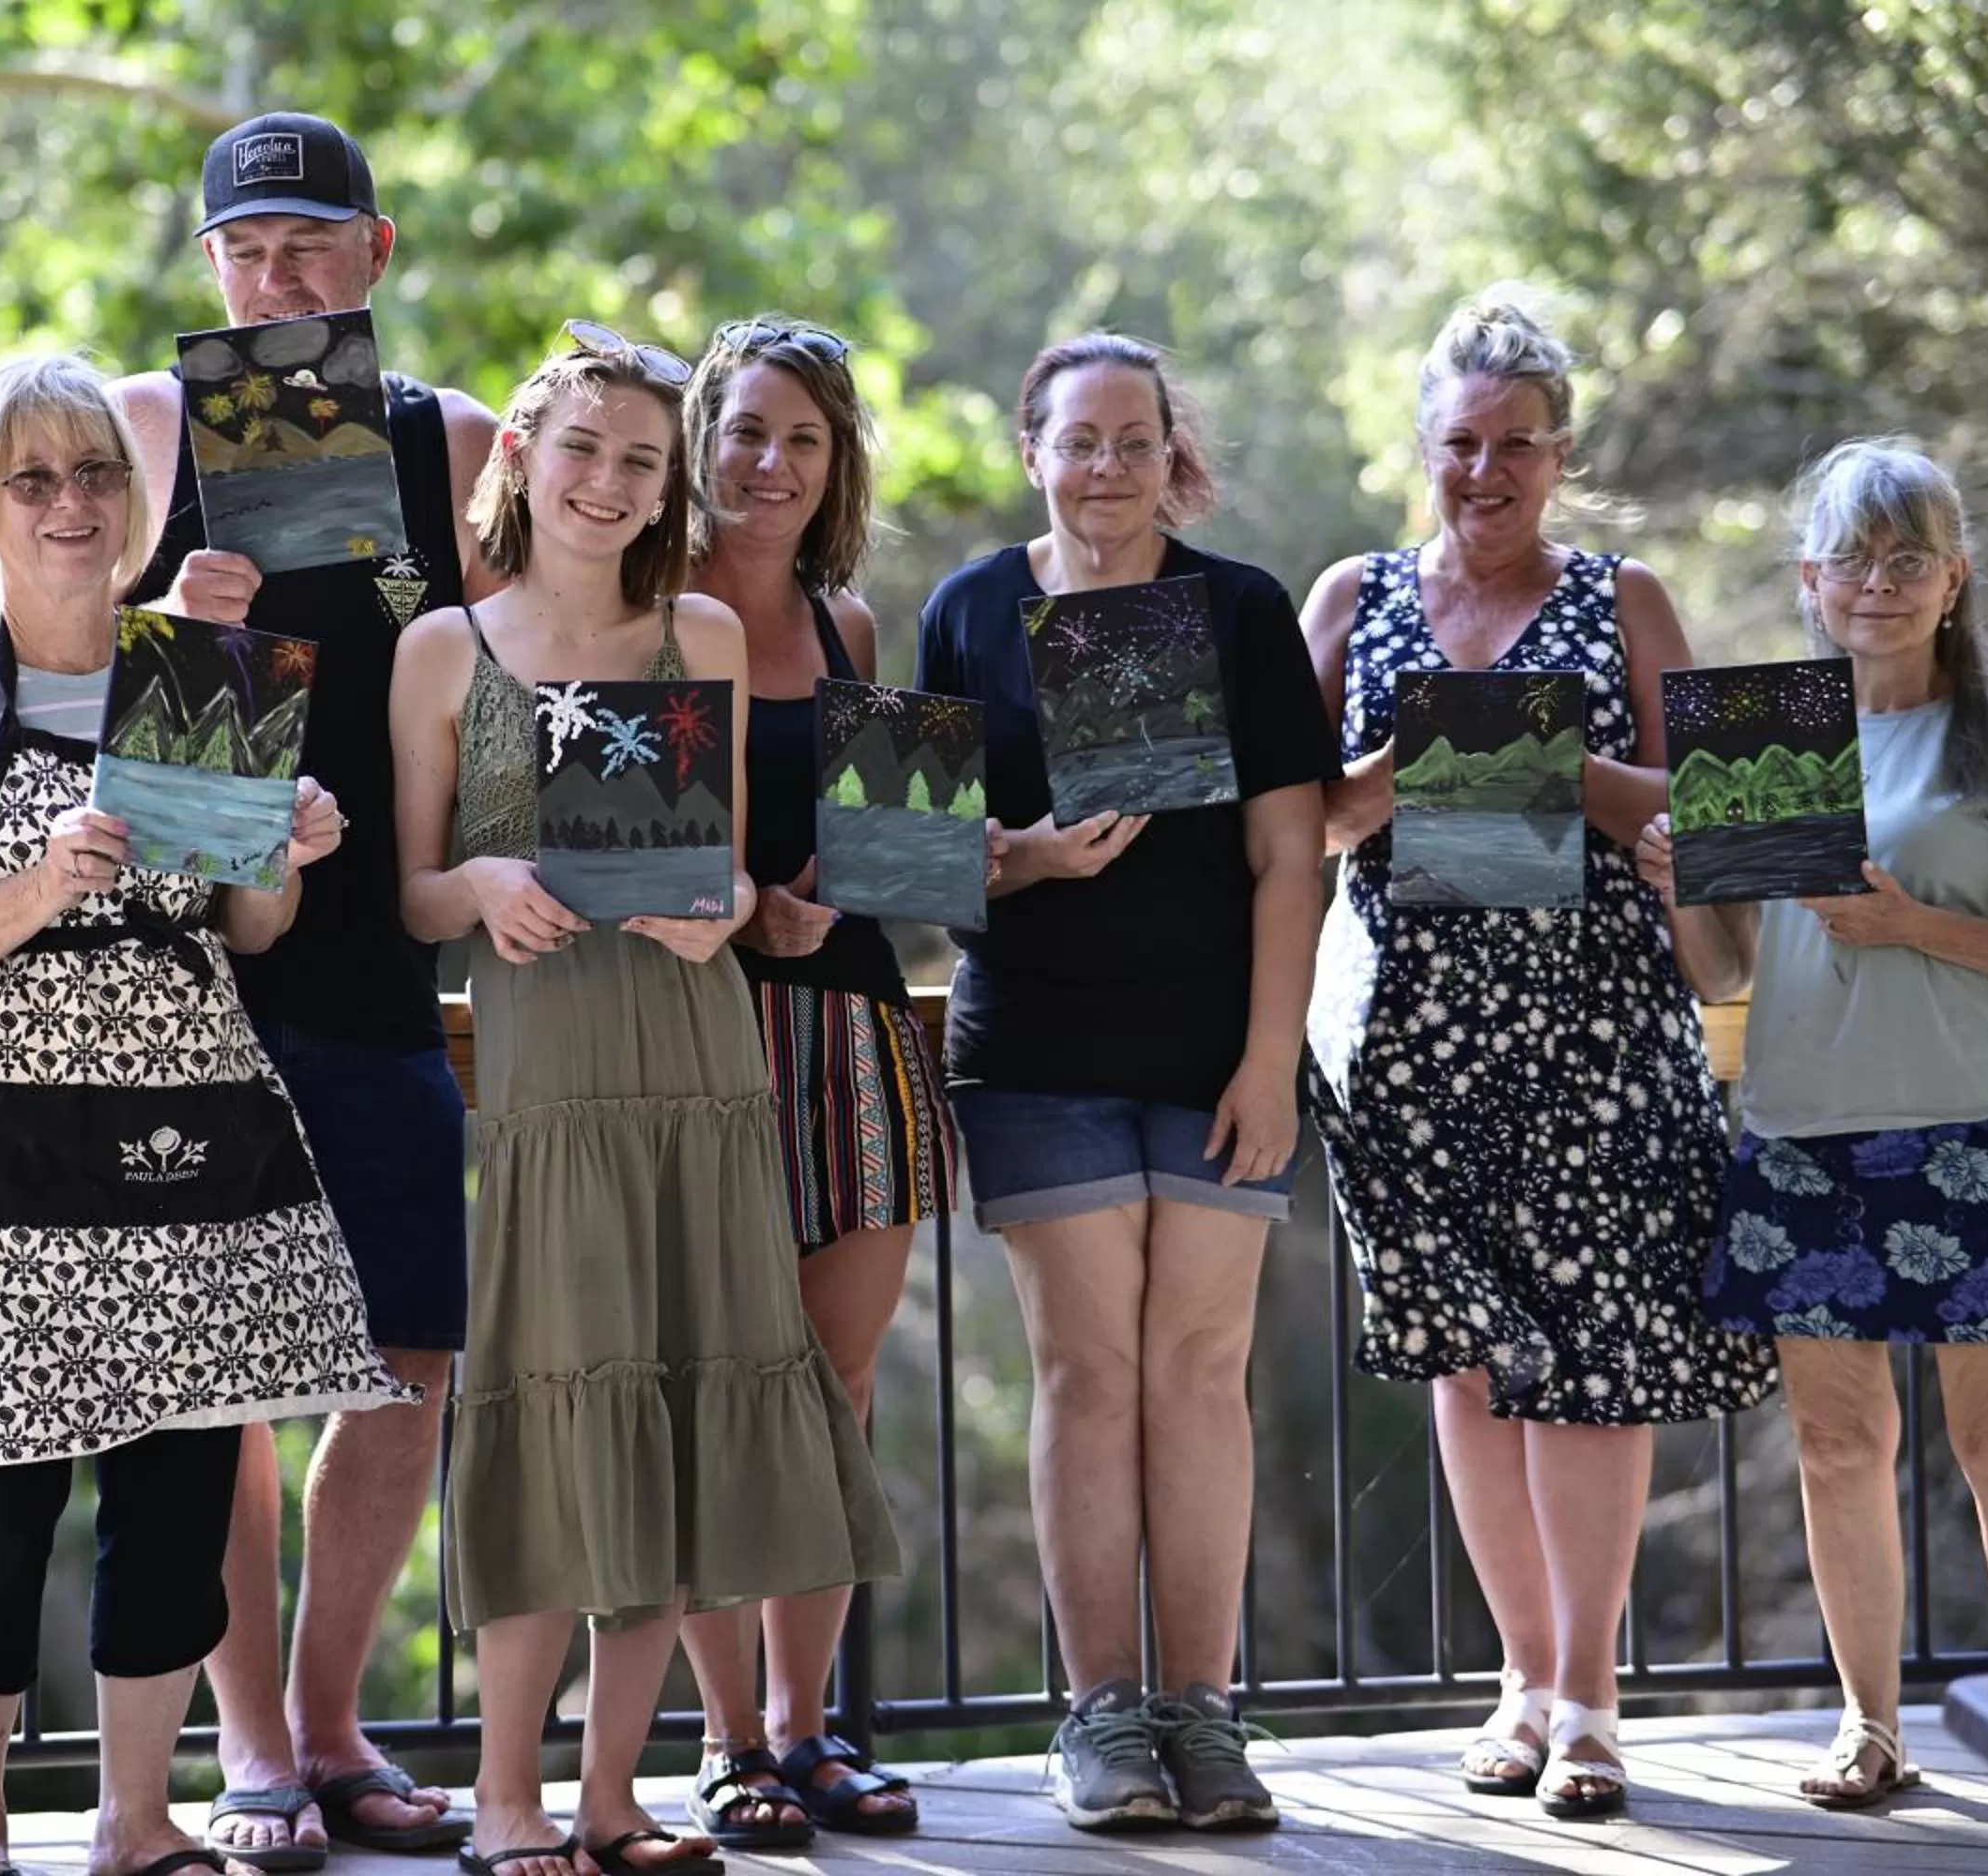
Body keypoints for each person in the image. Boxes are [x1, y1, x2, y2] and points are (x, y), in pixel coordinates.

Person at [0, 354, 414, 1876]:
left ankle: (138, 1821)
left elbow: (252, 930)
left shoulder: (203, 677)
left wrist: (288, 845)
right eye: (33, 480)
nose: (72, 505)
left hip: (188, 1123)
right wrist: (39, 887)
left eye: (97, 474)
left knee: (173, 1497)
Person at [387, 325, 899, 1876]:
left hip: (700, 1069)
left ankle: (616, 1800)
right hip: (550, 1091)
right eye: (583, 450)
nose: (609, 483)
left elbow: (729, 869)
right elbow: (413, 902)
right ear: (522, 460)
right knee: (558, 1423)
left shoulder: (705, 640)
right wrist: (471, 879)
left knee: (681, 1413)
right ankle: (504, 1803)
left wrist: (723, 904)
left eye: (639, 461)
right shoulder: (443, 651)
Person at [1299, 292, 1779, 1820]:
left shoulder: (1627, 599)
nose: (1486, 469)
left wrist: (1572, 777)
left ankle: (1590, 1702)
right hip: (1410, 1046)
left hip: (1598, 1033)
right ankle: (1519, 1683)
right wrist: (1387, 781)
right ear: (1421, 448)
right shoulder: (1348, 595)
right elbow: (1287, 821)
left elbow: (1738, 820)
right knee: (1471, 1361)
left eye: (1518, 444)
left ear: (1560, 457)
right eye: (1462, 442)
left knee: (1593, 1369)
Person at [114, 111, 499, 1867]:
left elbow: (534, 691)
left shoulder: (459, 444)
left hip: (379, 976)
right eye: (243, 254)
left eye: (306, 248)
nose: (274, 282)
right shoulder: (133, 432)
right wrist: (168, 609)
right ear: (209, 269)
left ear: (377, 250)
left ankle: (337, 1720)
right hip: (191, 978)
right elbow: (37, 686)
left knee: (409, 1346)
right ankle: (255, 1751)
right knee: (218, 1377)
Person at [1638, 438, 1988, 1810]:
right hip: (1798, 1139)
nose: (1879, 584)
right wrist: (1675, 877)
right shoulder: (1762, 741)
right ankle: (1869, 1727)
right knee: (1841, 1449)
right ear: (1811, 583)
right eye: (1854, 560)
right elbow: (1720, 973)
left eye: (1909, 560)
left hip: (1970, 1133)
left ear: (1953, 579)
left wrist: (1913, 926)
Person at [914, 333, 1334, 1834]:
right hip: (1034, 1049)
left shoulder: (1241, 610)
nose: (1106, 466)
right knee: (1090, 1378)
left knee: (1199, 1373)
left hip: (1219, 1056)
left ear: (1175, 454)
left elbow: (1296, 856)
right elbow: (912, 858)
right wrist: (1026, 858)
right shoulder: (969, 609)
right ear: (1033, 448)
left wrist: (1271, 1061)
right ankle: (1100, 1719)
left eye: (1133, 439)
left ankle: (1204, 1714)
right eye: (1078, 439)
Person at [670, 315, 948, 1849]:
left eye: (804, 439)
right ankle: (724, 1741)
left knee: (832, 1396)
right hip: (697, 1041)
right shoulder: (642, 612)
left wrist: (840, 897)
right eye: (748, 431)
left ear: (836, 464)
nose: (770, 464)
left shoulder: (851, 627)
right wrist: (732, 908)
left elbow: (894, 844)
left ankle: (808, 1725)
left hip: (852, 1032)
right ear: (702, 441)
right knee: (721, 1391)